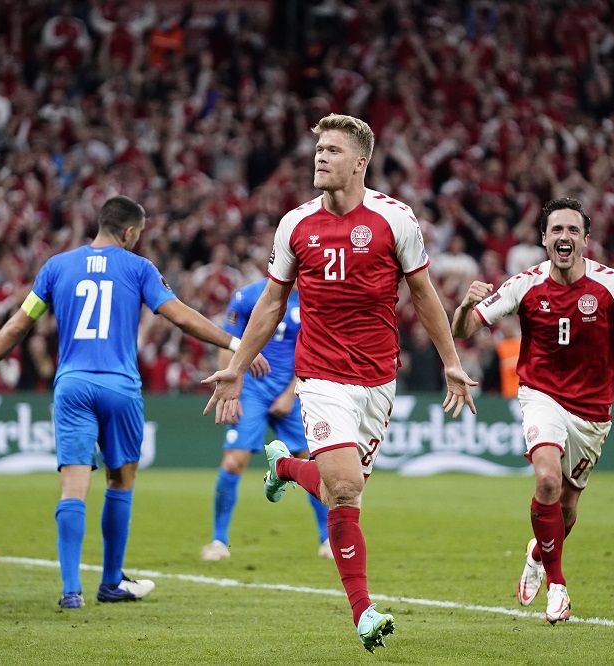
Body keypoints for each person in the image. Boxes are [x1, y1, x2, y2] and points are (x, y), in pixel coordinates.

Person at [202, 114, 477, 653]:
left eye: (332, 150)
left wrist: (450, 360)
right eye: (318, 149)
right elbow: (272, 302)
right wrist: (238, 364)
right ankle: (364, 612)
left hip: (377, 379)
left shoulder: (395, 221)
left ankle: (283, 465)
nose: (320, 157)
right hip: (320, 374)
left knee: (335, 489)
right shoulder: (294, 225)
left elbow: (423, 296)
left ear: (360, 162)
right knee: (346, 488)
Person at [0, 195, 268, 610]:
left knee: (72, 486)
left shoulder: (56, 267)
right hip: (119, 388)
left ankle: (71, 590)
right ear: (128, 232)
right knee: (120, 483)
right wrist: (236, 342)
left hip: (71, 386)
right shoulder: (139, 268)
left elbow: (18, 324)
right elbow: (178, 315)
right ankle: (110, 582)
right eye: (137, 236)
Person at [451, 197, 614, 625]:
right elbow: (466, 328)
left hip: (592, 411)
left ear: (585, 240)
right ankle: (558, 585)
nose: (564, 237)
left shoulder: (613, 285)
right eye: (557, 230)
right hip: (541, 396)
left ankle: (538, 552)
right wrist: (462, 306)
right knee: (547, 478)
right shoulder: (525, 285)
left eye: (572, 230)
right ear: (544, 239)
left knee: (566, 511)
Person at [200, 280, 330, 562]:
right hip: (251, 391)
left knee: (311, 462)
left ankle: (327, 540)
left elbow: (313, 352)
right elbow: (227, 342)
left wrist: (290, 393)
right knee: (234, 461)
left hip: (292, 390)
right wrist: (230, 390)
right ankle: (218, 540)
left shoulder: (314, 298)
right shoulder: (247, 296)